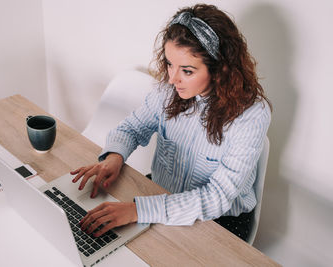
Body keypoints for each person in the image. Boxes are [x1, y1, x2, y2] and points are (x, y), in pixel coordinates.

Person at [71, 3, 271, 241]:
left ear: (220, 69)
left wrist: (138, 211)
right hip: (163, 194)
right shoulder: (169, 90)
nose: (172, 78)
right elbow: (132, 128)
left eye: (187, 70)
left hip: (221, 218)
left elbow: (217, 197)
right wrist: (115, 156)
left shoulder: (252, 115)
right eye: (169, 63)